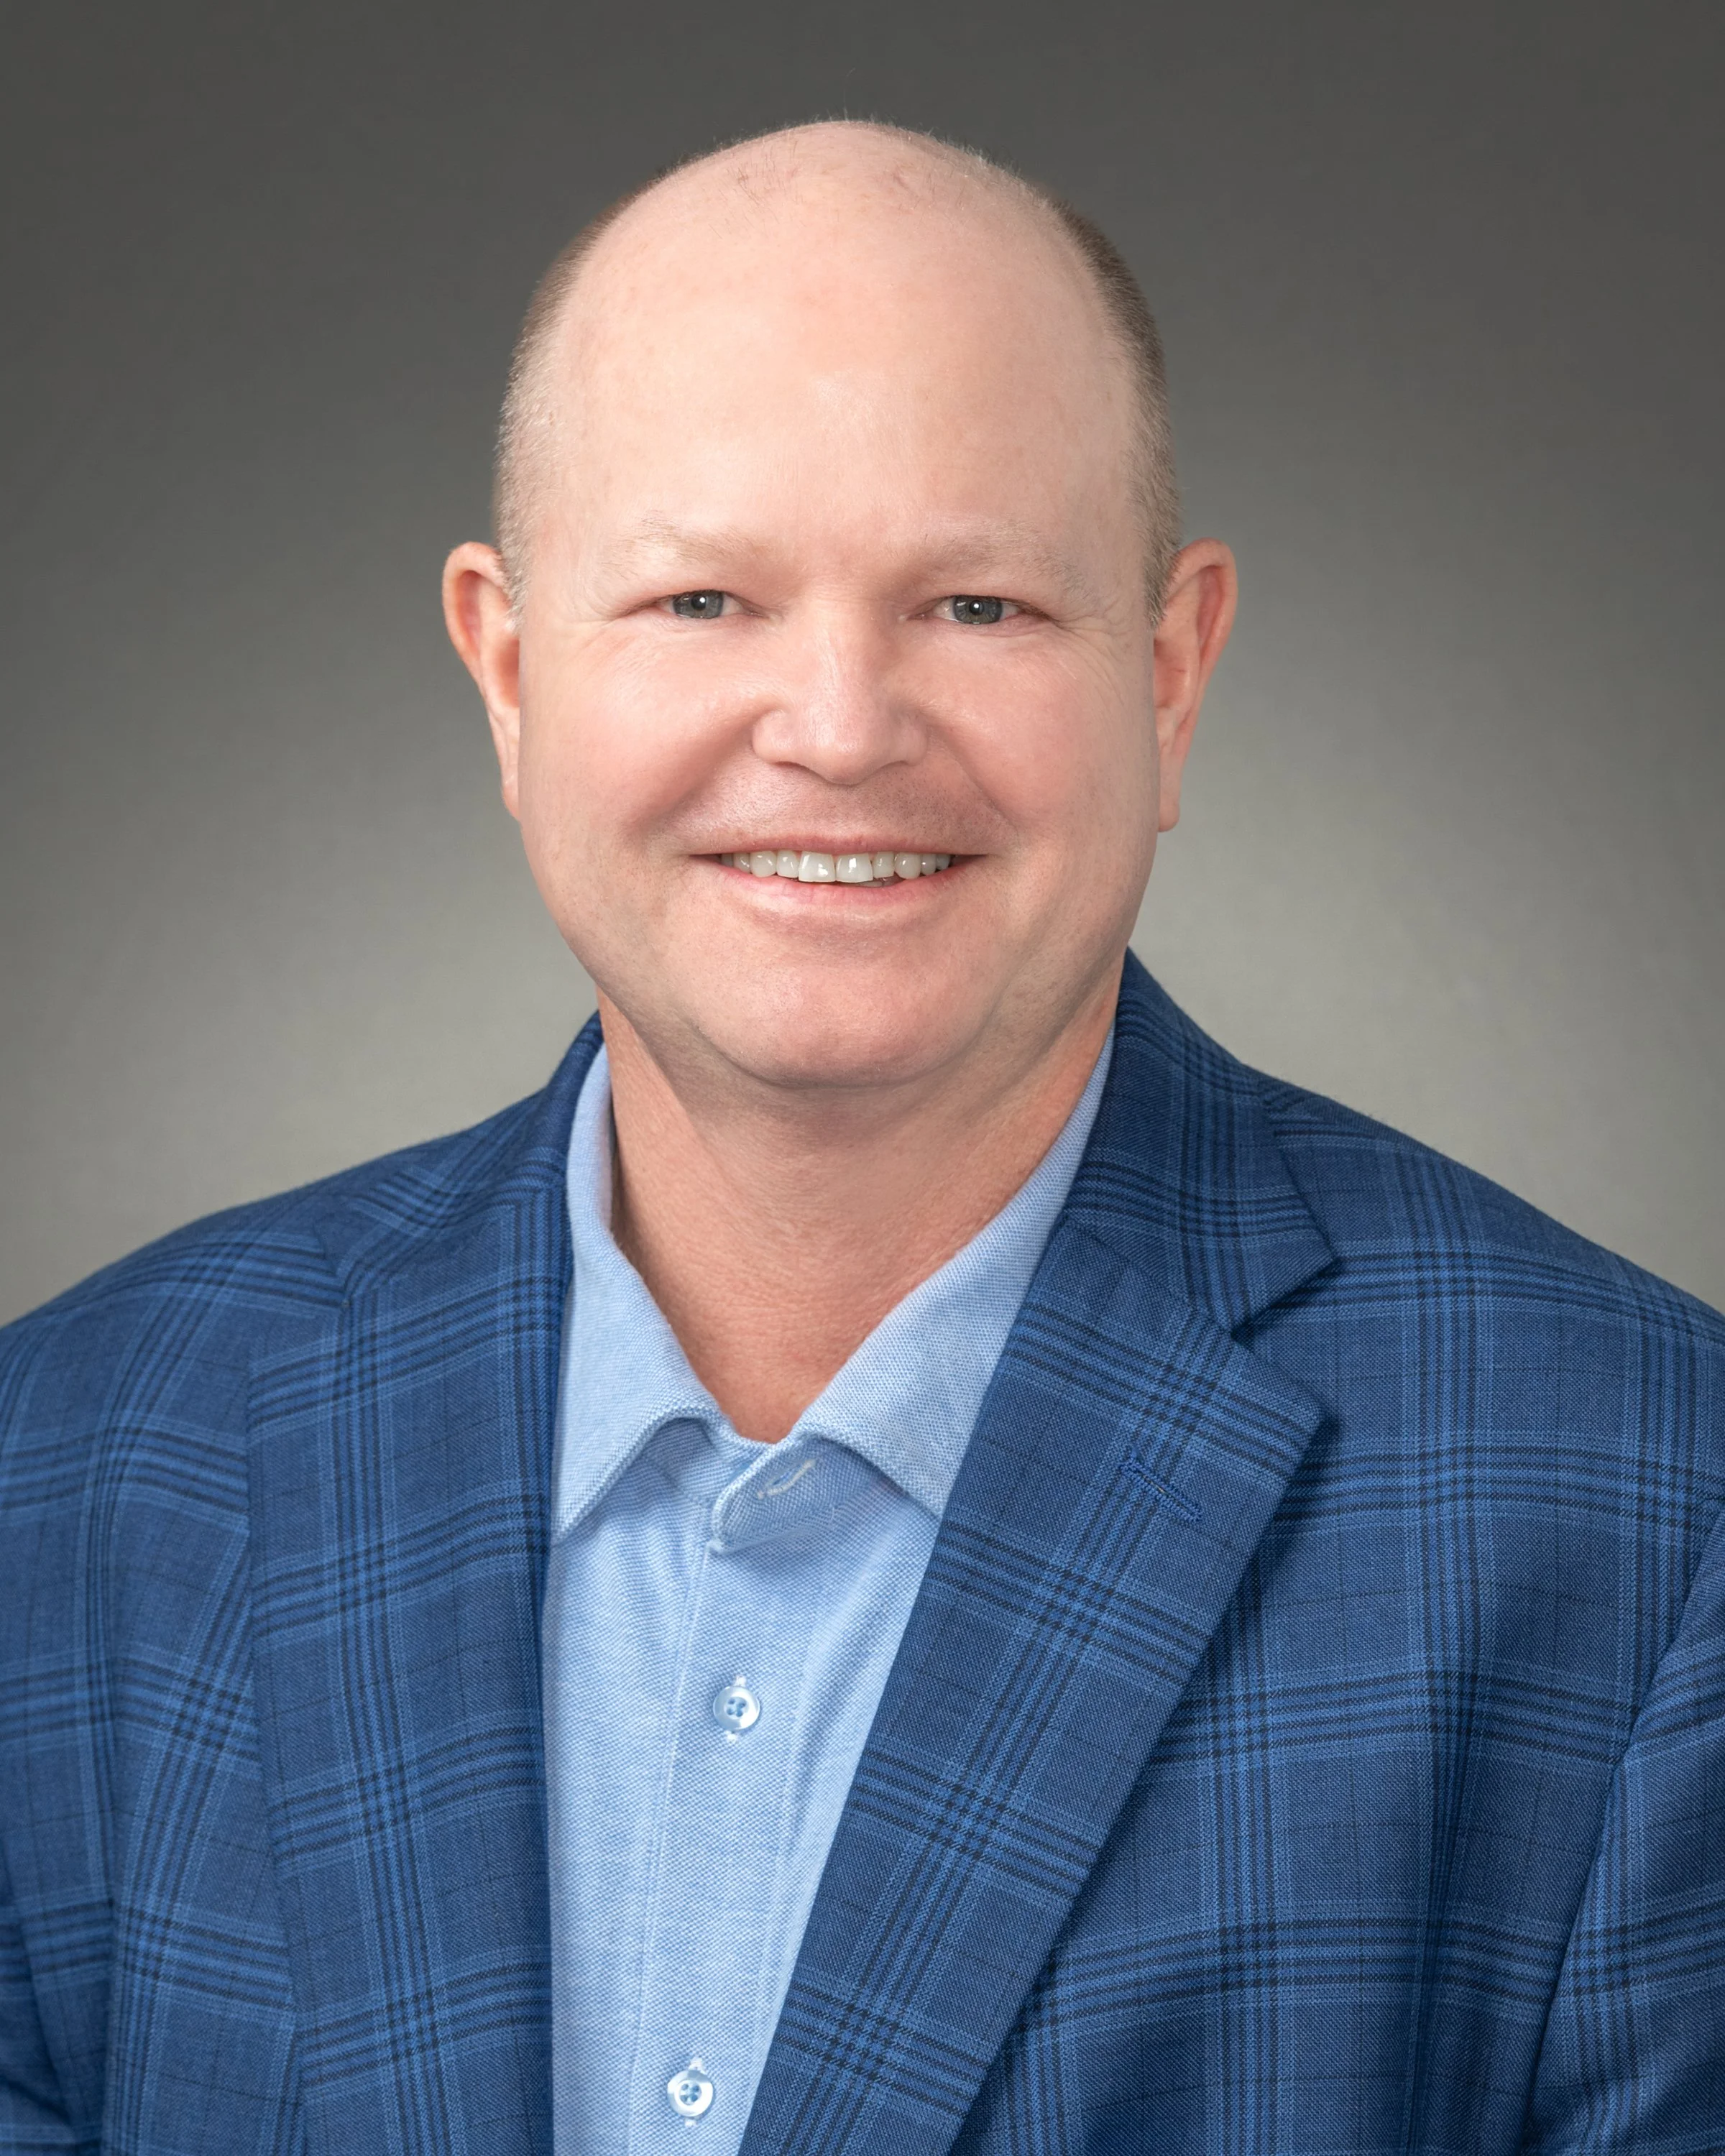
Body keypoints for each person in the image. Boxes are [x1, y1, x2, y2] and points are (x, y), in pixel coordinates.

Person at [1, 118, 1720, 2156]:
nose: (835, 725)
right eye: (702, 597)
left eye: (976, 603)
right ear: (511, 672)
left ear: (1171, 674)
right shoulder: (72, 1464)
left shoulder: (1648, 1515)